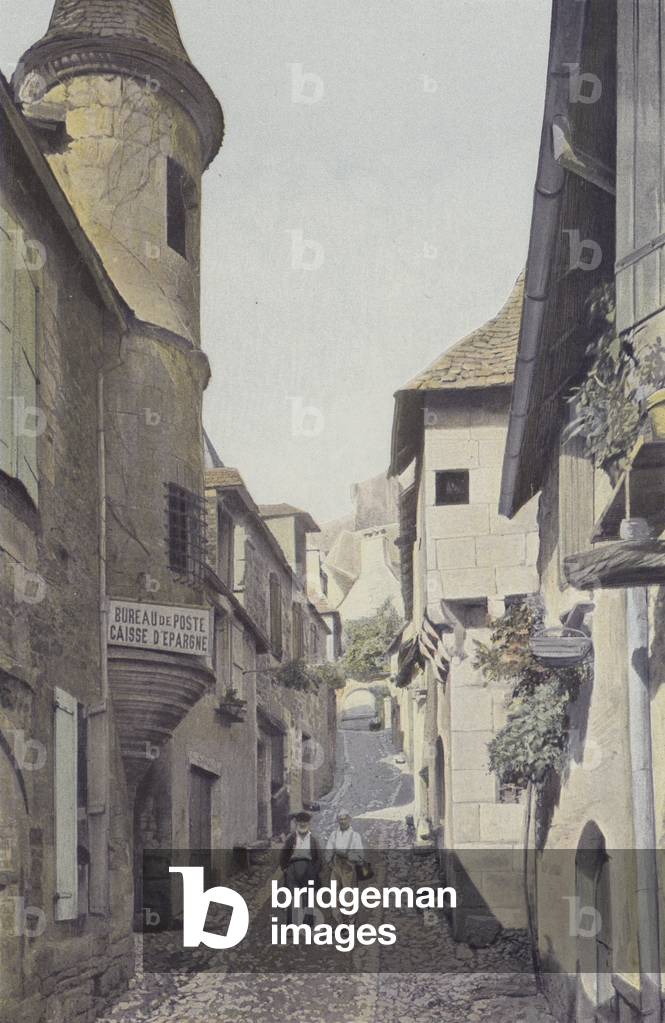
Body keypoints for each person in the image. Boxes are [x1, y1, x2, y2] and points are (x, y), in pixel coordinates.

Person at [279, 810, 322, 924]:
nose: (302, 824)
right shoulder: (291, 838)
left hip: (308, 868)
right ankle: (290, 925)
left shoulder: (313, 840)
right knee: (292, 898)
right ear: (296, 823)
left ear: (308, 824)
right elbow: (284, 854)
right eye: (300, 822)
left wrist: (314, 871)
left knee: (308, 898)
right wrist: (285, 869)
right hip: (293, 868)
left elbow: (318, 858)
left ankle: (308, 924)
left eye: (305, 822)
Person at [325, 810, 364, 923]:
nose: (342, 821)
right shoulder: (334, 835)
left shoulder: (355, 836)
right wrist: (329, 862)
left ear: (349, 819)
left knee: (348, 896)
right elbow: (328, 850)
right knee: (334, 895)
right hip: (336, 867)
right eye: (340, 819)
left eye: (344, 819)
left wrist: (348, 856)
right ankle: (339, 922)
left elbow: (360, 855)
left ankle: (350, 922)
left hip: (349, 869)